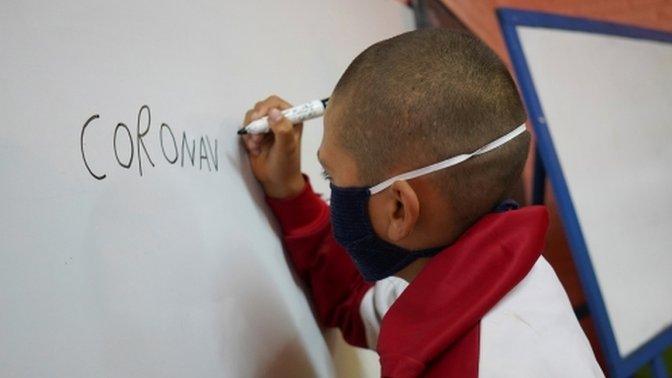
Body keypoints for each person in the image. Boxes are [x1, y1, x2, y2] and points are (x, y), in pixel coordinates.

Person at [240, 29, 603, 377]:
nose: (334, 191)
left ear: (399, 207)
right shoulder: (488, 272)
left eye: (330, 177)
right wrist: (288, 191)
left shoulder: (491, 362)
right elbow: (356, 299)